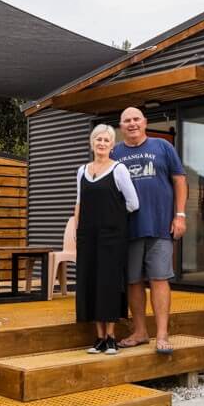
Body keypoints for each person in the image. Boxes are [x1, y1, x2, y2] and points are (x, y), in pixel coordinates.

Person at [112, 107, 187, 354]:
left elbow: (179, 180)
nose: (132, 124)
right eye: (127, 121)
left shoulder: (163, 147)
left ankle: (162, 335)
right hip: (128, 228)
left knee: (159, 278)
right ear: (121, 126)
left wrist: (180, 215)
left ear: (144, 122)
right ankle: (140, 332)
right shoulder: (115, 153)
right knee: (133, 281)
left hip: (160, 226)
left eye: (136, 119)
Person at [74, 124, 139, 355]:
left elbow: (133, 203)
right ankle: (99, 338)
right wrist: (77, 231)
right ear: (92, 143)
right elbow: (79, 203)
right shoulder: (82, 171)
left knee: (109, 283)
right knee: (90, 281)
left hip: (112, 237)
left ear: (112, 145)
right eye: (98, 139)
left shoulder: (119, 169)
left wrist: (113, 219)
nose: (102, 143)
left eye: (106, 140)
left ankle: (111, 337)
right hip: (87, 236)